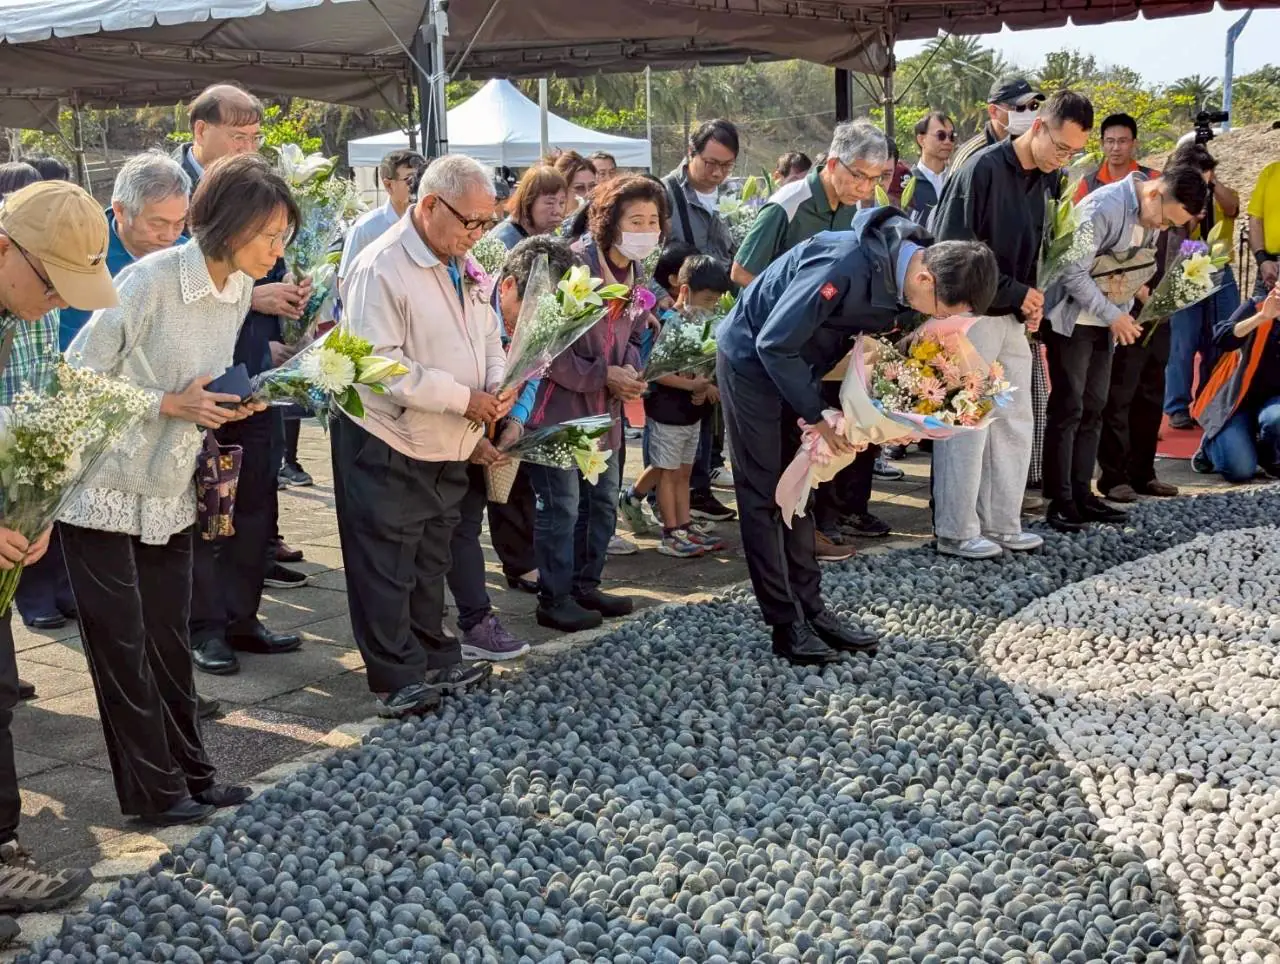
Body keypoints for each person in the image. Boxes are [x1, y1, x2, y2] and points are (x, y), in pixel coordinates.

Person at [61, 155, 285, 825]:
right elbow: (75, 376)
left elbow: (201, 384)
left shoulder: (237, 290)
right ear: (233, 226)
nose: (280, 249)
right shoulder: (149, 279)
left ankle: (193, 773)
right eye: (271, 234)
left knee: (166, 640)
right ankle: (154, 794)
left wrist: (227, 403)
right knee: (122, 650)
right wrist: (165, 403)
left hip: (169, 485)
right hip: (100, 488)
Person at [718, 206, 998, 664]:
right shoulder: (843, 264)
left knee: (802, 485)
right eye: (942, 312)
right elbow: (773, 342)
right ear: (926, 279)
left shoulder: (907, 266)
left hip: (803, 366)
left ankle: (812, 609)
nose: (935, 319)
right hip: (754, 364)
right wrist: (818, 416)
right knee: (766, 492)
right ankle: (785, 624)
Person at [333, 155, 507, 718]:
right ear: (428, 205)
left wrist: (498, 385)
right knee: (386, 559)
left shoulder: (464, 259)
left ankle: (435, 655)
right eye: (470, 222)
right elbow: (375, 363)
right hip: (386, 434)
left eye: (486, 223)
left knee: (432, 555)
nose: (477, 234)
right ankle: (395, 674)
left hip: (446, 435)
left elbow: (487, 334)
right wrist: (463, 398)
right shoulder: (381, 265)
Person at [0, 180, 111, 924]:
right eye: (53, 283)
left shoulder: (26, 311)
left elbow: (34, 409)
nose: (60, 303)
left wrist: (39, 505)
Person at [174, 84, 309, 677]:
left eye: (255, 136)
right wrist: (254, 295)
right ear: (200, 130)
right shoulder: (167, 190)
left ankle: (242, 616)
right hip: (196, 384)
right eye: (237, 134)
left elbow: (267, 275)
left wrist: (292, 301)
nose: (248, 145)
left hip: (253, 373)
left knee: (256, 497)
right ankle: (204, 627)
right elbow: (179, 279)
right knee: (208, 506)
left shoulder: (262, 194)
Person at [930, 89, 1094, 559]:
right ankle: (957, 529)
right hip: (972, 314)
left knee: (1016, 420)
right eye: (1060, 147)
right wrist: (1017, 291)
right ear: (1038, 125)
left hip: (1015, 316)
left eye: (1073, 153)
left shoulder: (1049, 180)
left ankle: (1003, 520)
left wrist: (1033, 296)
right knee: (968, 420)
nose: (1063, 158)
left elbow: (1040, 247)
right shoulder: (981, 168)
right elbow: (954, 252)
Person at [732, 121, 897, 555]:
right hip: (776, 348)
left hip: (827, 350)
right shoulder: (788, 204)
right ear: (831, 161)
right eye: (857, 175)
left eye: (875, 179)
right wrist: (791, 317)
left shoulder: (861, 208)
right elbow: (744, 272)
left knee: (830, 439)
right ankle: (789, 536)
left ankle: (820, 525)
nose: (864, 188)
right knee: (787, 444)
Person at [1041, 165, 1206, 533]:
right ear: (1154, 194)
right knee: (1069, 409)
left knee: (1095, 408)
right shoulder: (1103, 208)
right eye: (1165, 220)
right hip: (1074, 322)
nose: (1162, 229)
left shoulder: (1148, 217)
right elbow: (1071, 272)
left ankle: (1083, 494)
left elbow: (1135, 270)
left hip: (1106, 323)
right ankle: (1061, 499)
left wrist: (1137, 305)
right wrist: (1113, 314)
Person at [525, 175, 655, 632]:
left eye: (654, 220)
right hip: (560, 408)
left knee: (600, 502)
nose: (646, 228)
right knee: (561, 505)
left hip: (607, 410)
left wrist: (633, 368)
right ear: (608, 222)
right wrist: (605, 374)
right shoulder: (572, 263)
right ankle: (554, 596)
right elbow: (543, 343)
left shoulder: (635, 269)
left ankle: (585, 584)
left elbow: (637, 330)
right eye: (635, 219)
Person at [620, 255, 732, 556]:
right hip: (667, 410)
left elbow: (698, 366)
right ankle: (671, 533)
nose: (710, 308)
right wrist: (692, 385)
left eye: (716, 302)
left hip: (689, 413)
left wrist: (703, 384)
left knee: (682, 471)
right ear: (685, 291)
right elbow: (655, 371)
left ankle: (683, 525)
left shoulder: (702, 325)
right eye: (707, 300)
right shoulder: (673, 323)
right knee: (668, 471)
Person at [487, 235, 577, 594]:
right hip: (461, 410)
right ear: (507, 287)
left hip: (506, 411)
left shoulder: (547, 317)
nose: (539, 320)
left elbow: (535, 370)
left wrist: (517, 420)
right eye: (534, 308)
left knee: (513, 487)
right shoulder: (475, 303)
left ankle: (520, 562)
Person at [1166, 142, 1242, 428]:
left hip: (1220, 270)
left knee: (1222, 339)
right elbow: (1177, 239)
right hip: (1188, 270)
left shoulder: (1220, 191)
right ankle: (1177, 406)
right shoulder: (1177, 198)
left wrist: (1212, 183)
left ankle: (1212, 398)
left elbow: (1232, 208)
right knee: (1183, 342)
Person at [1191, 287, 1280, 481]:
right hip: (1236, 403)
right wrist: (1262, 317)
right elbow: (1221, 338)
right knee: (1238, 471)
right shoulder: (1257, 305)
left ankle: (1271, 457)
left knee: (1276, 418)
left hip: (1274, 407)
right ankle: (1209, 446)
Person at [337, 149, 424, 286]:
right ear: (388, 185)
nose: (418, 186)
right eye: (410, 179)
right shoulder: (366, 228)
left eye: (421, 178)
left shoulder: (429, 225)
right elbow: (346, 282)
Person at [662, 119, 739, 263]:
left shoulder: (735, 194)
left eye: (727, 165)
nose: (718, 173)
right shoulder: (664, 194)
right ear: (691, 152)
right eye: (711, 163)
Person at [948, 76, 1044, 178]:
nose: (1028, 113)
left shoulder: (1037, 151)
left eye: (1033, 106)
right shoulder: (971, 156)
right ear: (993, 111)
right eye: (1019, 107)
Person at [1074, 113, 1158, 202]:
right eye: (1110, 141)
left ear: (1134, 143)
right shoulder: (1087, 185)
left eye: (1122, 141)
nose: (1116, 148)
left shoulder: (1153, 179)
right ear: (1102, 143)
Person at [486, 166, 569, 251]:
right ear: (528, 201)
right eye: (550, 203)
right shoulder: (502, 241)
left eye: (562, 203)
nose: (557, 211)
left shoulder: (554, 236)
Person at [903, 112, 955, 225]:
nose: (947, 141)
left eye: (951, 136)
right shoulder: (906, 184)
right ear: (921, 140)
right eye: (941, 135)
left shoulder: (956, 180)